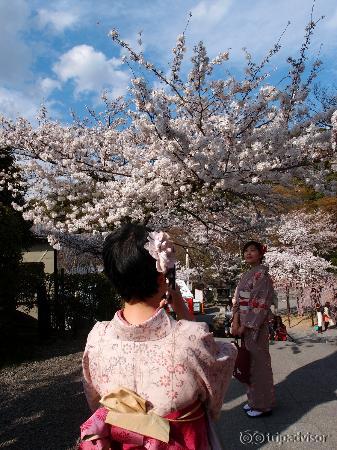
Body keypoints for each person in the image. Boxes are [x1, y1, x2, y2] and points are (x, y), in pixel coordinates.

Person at [79, 224, 237, 449]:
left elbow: (94, 400)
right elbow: (219, 367)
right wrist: (181, 307)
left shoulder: (97, 337)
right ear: (163, 277)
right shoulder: (189, 337)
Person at [231, 241, 275, 418]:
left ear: (260, 253)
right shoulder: (246, 275)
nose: (249, 253)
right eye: (246, 250)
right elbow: (237, 300)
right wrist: (235, 321)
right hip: (243, 324)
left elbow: (260, 303)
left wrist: (244, 324)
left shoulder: (262, 275)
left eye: (253, 250)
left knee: (259, 364)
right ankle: (253, 401)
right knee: (248, 363)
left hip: (255, 325)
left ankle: (263, 405)